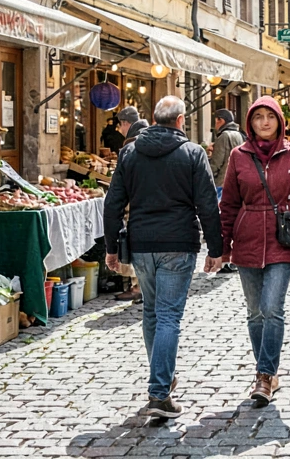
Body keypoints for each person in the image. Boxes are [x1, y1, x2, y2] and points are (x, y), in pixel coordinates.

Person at [103, 95, 223, 420]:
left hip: (142, 244)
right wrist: (216, 248)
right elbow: (208, 206)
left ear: (155, 119)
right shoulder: (193, 153)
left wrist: (112, 248)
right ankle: (160, 391)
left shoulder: (130, 153)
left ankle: (163, 379)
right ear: (181, 120)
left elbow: (112, 203)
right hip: (179, 243)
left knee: (153, 314)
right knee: (168, 316)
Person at [219, 96, 290, 407]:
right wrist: (223, 246)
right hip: (247, 240)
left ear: (279, 121)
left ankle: (264, 374)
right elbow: (229, 205)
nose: (264, 122)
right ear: (250, 122)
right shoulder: (238, 156)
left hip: (283, 241)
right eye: (258, 117)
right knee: (254, 313)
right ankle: (267, 371)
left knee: (272, 307)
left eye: (270, 117)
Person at [209, 110, 244, 196]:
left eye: (216, 121)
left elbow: (216, 163)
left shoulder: (224, 136)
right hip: (235, 181)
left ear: (220, 120)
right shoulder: (238, 135)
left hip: (222, 183)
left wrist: (209, 178)